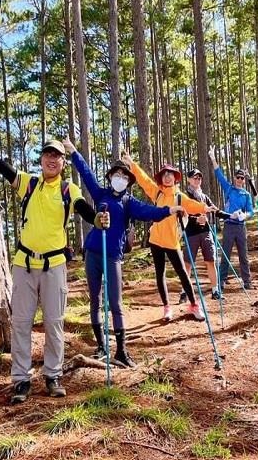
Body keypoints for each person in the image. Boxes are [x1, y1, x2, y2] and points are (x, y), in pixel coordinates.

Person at [0, 140, 108, 404]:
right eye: (48, 154)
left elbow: (83, 209)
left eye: (57, 156)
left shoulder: (67, 189)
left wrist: (97, 219)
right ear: (41, 160)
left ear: (62, 162)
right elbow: (2, 167)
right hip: (24, 265)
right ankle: (21, 380)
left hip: (55, 266)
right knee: (21, 323)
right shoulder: (30, 183)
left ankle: (53, 375)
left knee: (54, 322)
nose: (52, 159)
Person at [64, 140, 183, 367]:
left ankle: (121, 350)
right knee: (95, 301)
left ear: (129, 181)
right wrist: (74, 152)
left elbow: (150, 212)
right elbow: (87, 173)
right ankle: (100, 346)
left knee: (116, 304)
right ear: (110, 177)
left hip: (113, 256)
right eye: (116, 174)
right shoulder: (100, 195)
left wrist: (170, 210)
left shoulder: (129, 202)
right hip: (92, 253)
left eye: (124, 175)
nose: (120, 177)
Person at [121, 152, 208, 322]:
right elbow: (144, 180)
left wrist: (206, 209)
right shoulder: (157, 193)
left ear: (175, 178)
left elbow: (193, 206)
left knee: (183, 273)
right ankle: (167, 308)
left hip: (172, 242)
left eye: (170, 174)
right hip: (155, 241)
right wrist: (132, 163)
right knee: (159, 274)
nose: (167, 177)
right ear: (161, 178)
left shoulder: (179, 196)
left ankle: (194, 305)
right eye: (164, 175)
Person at [208, 149, 254, 291]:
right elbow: (219, 174)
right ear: (234, 178)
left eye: (242, 178)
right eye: (238, 177)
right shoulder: (229, 189)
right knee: (226, 254)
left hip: (240, 227)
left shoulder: (246, 194)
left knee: (243, 255)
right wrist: (213, 158)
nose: (240, 180)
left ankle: (247, 281)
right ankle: (221, 280)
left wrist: (244, 216)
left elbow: (251, 211)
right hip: (229, 225)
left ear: (244, 180)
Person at [182, 168, 228, 301]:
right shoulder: (185, 196)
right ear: (189, 179)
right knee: (188, 263)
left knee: (211, 260)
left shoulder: (204, 196)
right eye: (194, 178)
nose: (197, 180)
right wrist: (195, 219)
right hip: (191, 233)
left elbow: (215, 210)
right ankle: (184, 292)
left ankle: (215, 291)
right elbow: (181, 214)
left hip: (206, 232)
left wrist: (231, 216)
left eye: (199, 178)